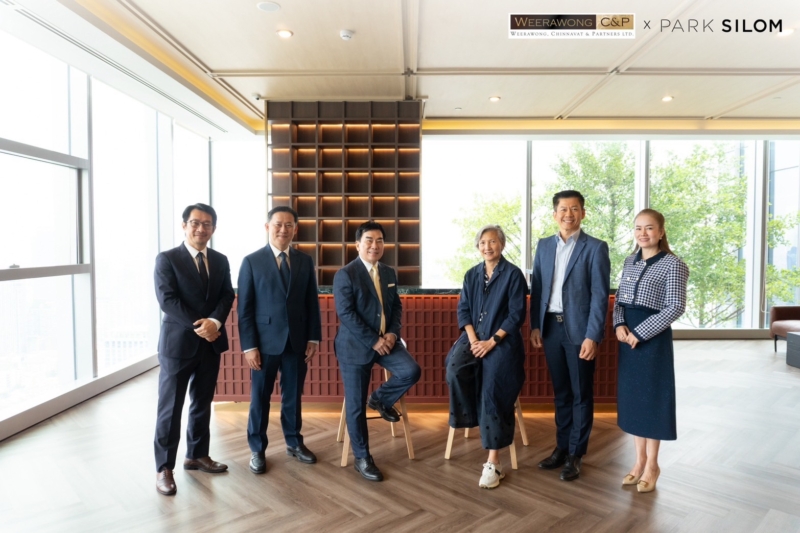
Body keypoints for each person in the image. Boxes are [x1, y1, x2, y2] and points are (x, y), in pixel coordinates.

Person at [153, 203, 235, 496]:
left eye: (207, 224)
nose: (201, 228)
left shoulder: (220, 260)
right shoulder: (167, 259)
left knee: (202, 402)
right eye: (195, 223)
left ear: (214, 228)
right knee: (170, 408)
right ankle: (164, 468)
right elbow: (167, 300)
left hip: (210, 344)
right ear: (184, 225)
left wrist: (215, 322)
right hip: (178, 345)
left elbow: (227, 295)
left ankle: (197, 455)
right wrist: (202, 325)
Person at [530, 190, 610, 481]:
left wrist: (593, 336)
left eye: (574, 209)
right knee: (561, 392)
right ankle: (561, 447)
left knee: (580, 394)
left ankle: (576, 453)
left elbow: (600, 296)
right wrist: (535, 326)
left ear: (583, 213)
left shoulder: (596, 248)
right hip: (550, 328)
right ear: (555, 214)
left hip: (579, 331)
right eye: (563, 209)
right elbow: (538, 288)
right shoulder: (543, 246)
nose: (568, 214)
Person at [333, 221, 421, 482]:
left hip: (387, 342)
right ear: (357, 244)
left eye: (380, 240)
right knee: (355, 405)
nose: (375, 245)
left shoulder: (389, 273)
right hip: (355, 346)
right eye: (369, 240)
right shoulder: (345, 274)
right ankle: (362, 458)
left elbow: (396, 308)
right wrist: (374, 340)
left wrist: (392, 333)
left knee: (411, 371)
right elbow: (346, 314)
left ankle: (380, 399)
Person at [238, 206, 322, 474]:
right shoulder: (251, 262)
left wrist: (313, 338)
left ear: (295, 229)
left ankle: (294, 443)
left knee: (293, 397)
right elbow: (245, 309)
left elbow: (311, 303)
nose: (283, 229)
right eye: (278, 224)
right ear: (267, 227)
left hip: (297, 342)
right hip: (263, 345)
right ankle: (257, 449)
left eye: (288, 225)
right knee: (259, 398)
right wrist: (249, 346)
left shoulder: (304, 261)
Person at [446, 225, 528, 489]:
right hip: (474, 338)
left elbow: (516, 315)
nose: (487, 247)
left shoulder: (513, 274)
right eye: (483, 242)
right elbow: (464, 310)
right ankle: (475, 418)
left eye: (492, 242)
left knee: (493, 386)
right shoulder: (471, 274)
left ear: (502, 244)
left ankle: (494, 462)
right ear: (478, 246)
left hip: (502, 341)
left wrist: (492, 342)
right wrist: (473, 341)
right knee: (455, 368)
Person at [614, 209, 689, 493]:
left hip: (652, 340)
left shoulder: (673, 264)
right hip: (627, 339)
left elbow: (675, 306)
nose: (643, 233)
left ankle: (653, 465)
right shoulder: (629, 261)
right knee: (634, 401)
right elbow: (619, 301)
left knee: (652, 401)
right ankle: (639, 461)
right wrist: (619, 325)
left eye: (649, 228)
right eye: (638, 228)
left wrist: (640, 333)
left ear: (660, 231)